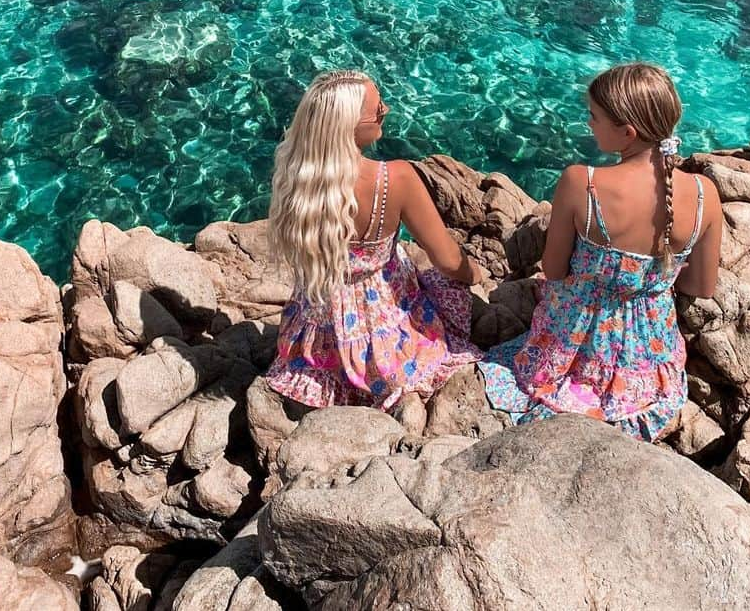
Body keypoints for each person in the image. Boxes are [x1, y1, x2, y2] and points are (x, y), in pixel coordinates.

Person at [479, 62, 722, 441]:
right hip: (648, 366)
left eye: (594, 117)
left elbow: (555, 270)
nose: (589, 124)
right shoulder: (705, 193)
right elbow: (702, 286)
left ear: (627, 132)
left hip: (572, 349)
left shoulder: (583, 183)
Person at [266, 69, 485, 410]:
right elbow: (447, 260)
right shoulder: (393, 178)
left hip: (316, 327)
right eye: (378, 109)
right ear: (349, 124)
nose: (387, 111)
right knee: (448, 284)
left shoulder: (297, 177)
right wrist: (475, 275)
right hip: (382, 332)